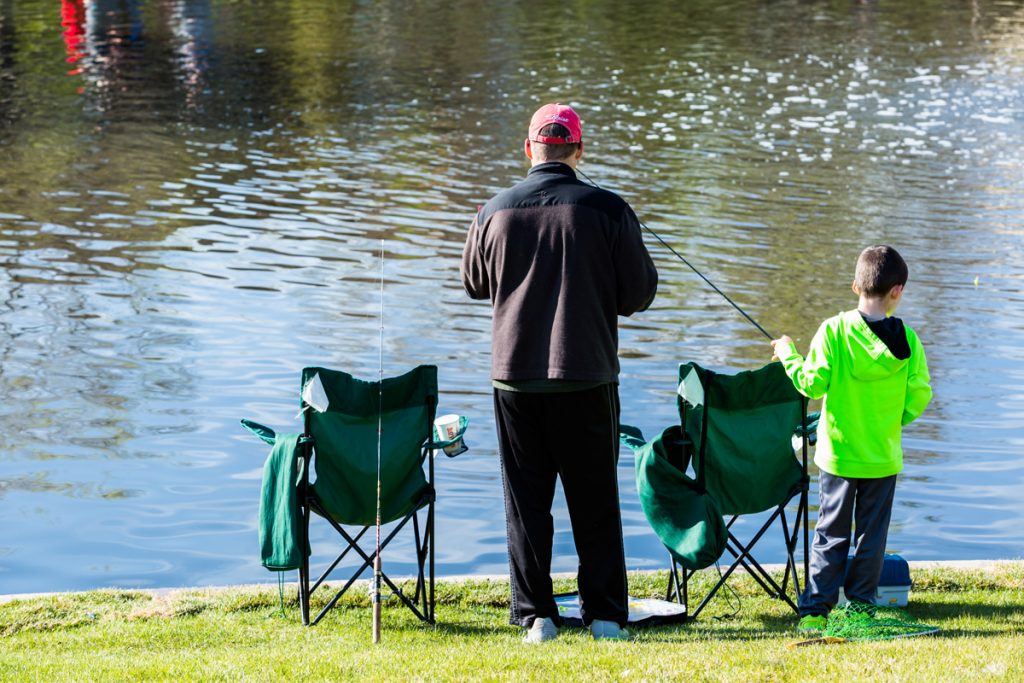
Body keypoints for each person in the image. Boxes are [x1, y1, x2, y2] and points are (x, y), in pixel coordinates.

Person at [461, 103, 658, 643]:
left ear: (529, 150)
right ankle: (605, 617)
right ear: (579, 149)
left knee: (526, 501)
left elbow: (475, 284)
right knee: (594, 497)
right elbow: (639, 295)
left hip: (515, 378)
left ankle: (536, 616)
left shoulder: (492, 212)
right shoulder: (610, 210)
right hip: (587, 375)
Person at [770, 244, 932, 633]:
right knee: (871, 537)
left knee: (831, 532)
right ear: (898, 291)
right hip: (882, 457)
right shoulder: (908, 340)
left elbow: (811, 382)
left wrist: (788, 352)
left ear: (855, 285)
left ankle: (816, 610)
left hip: (839, 457)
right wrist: (892, 421)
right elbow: (921, 394)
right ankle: (860, 607)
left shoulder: (834, 331)